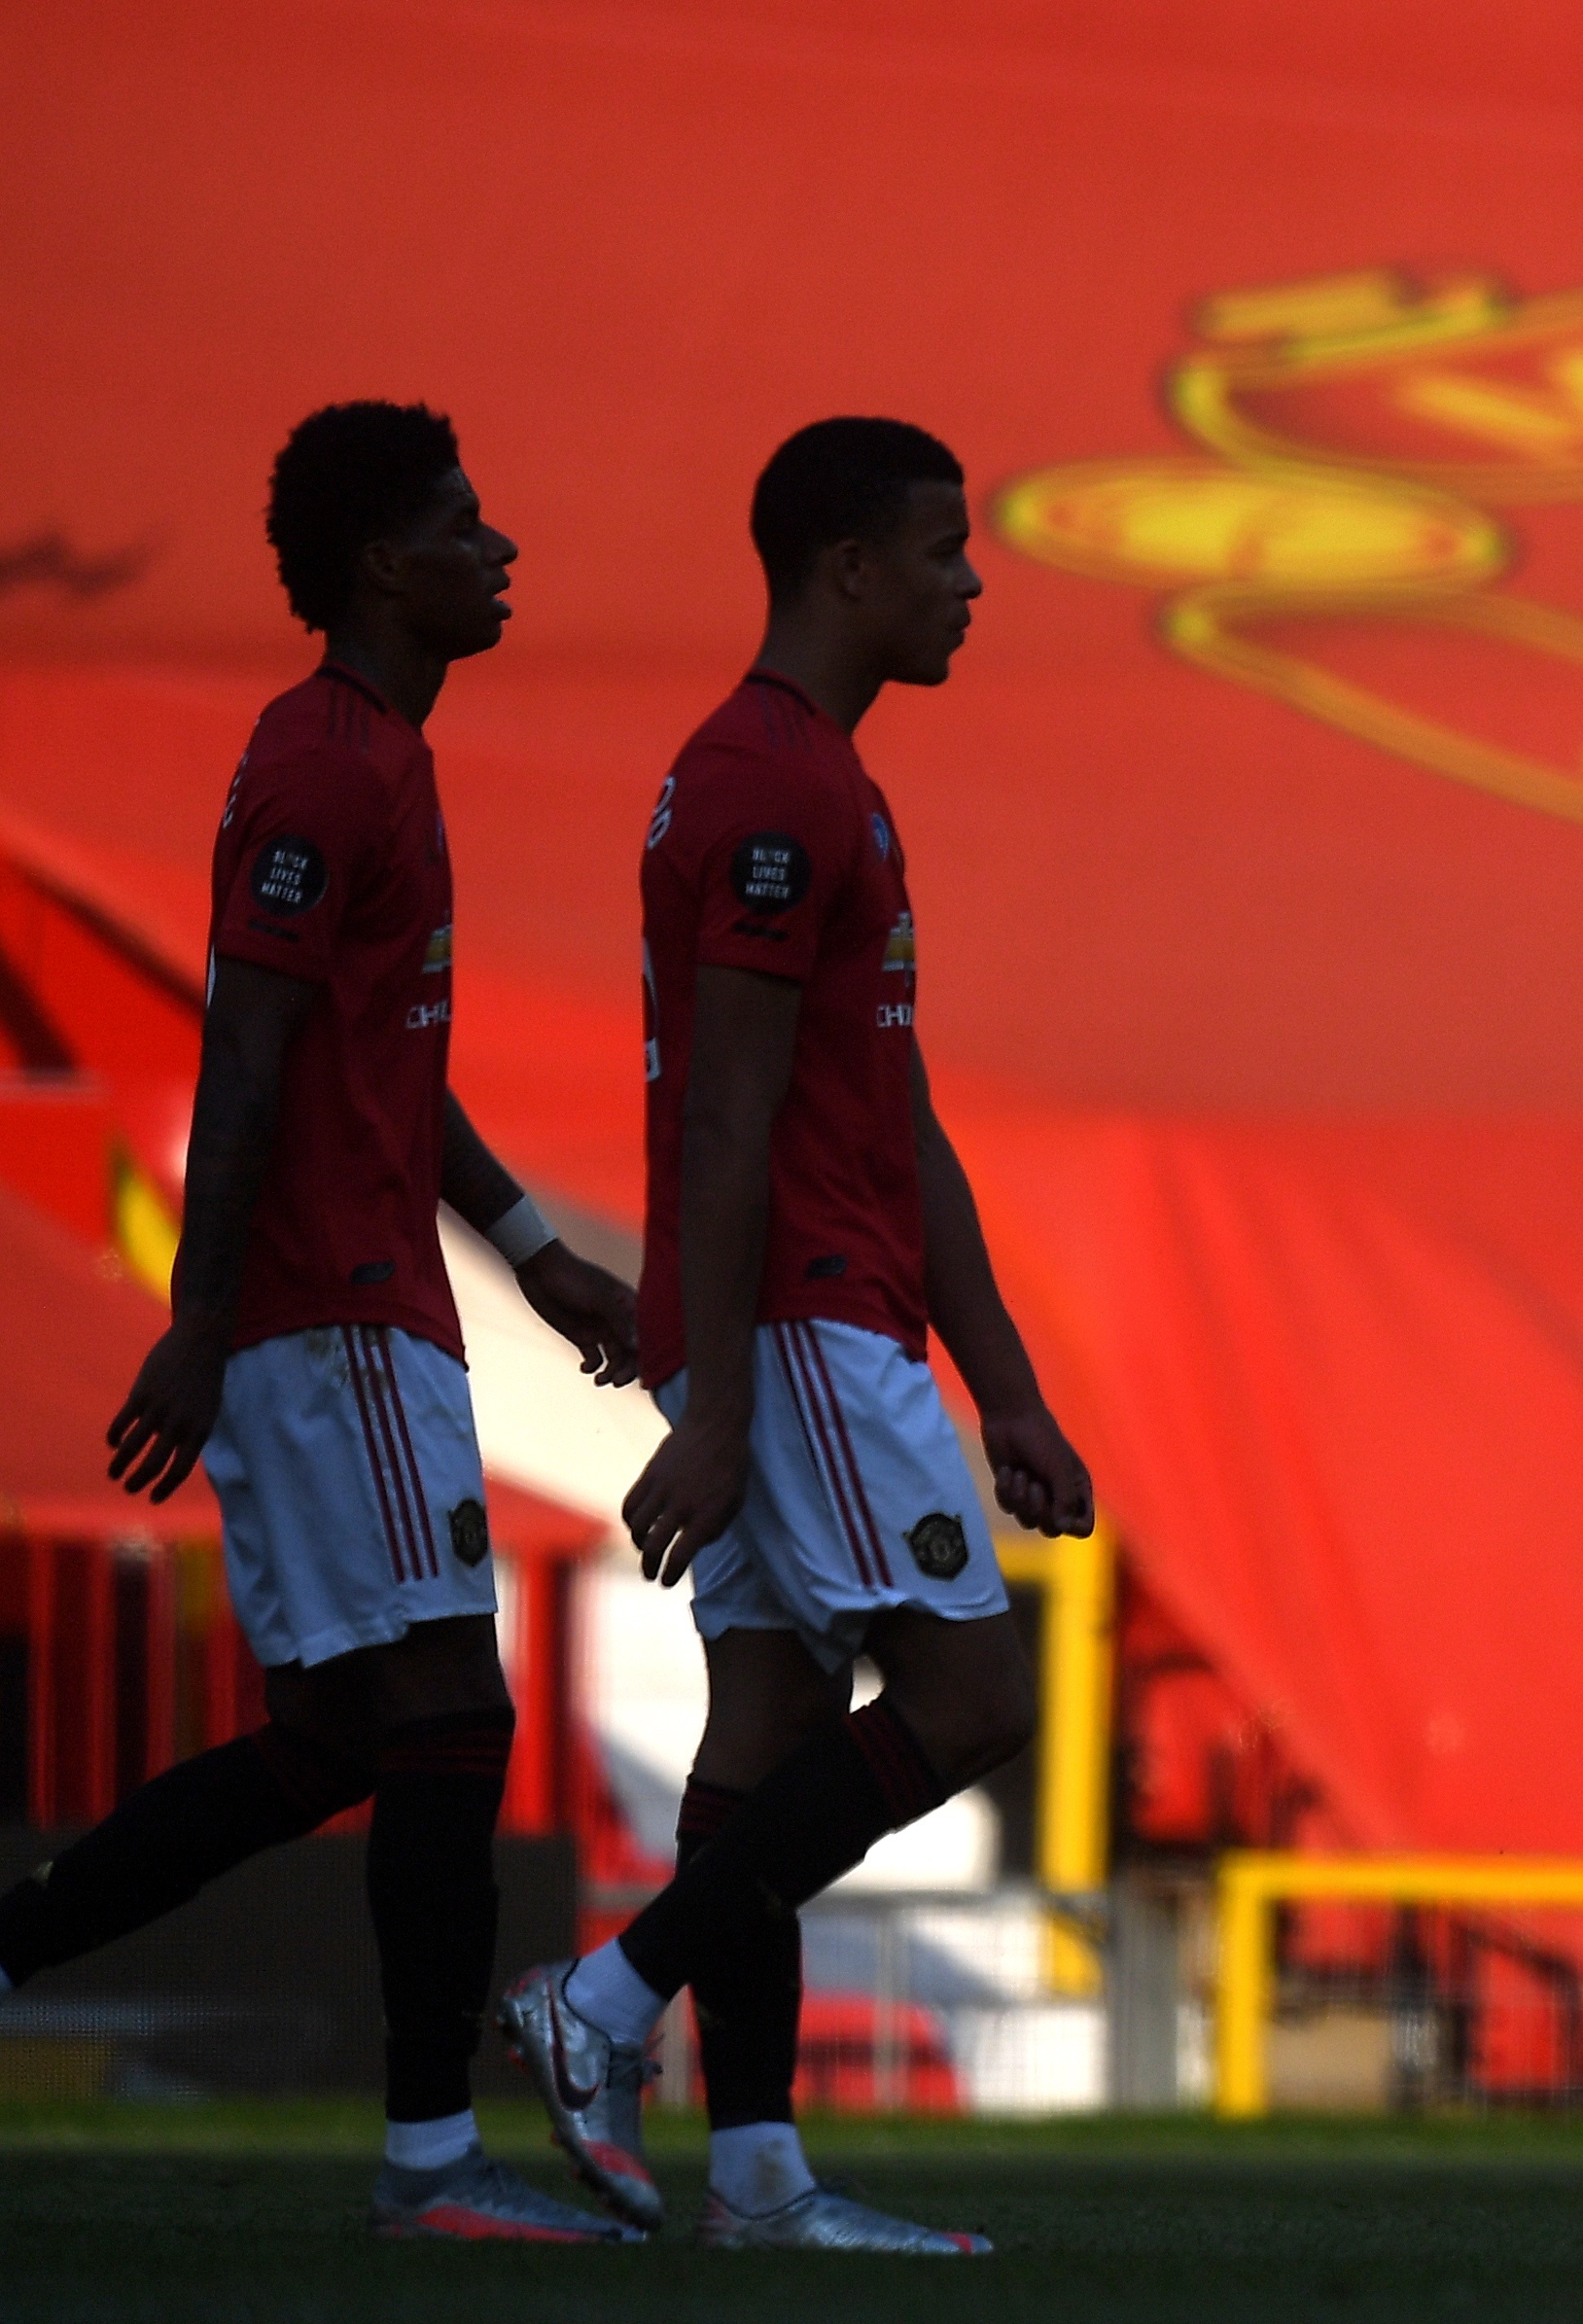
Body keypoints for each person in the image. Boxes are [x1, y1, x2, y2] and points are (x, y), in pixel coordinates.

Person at [0, 402, 645, 2242]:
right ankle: (431, 2163)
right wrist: (202, 1319)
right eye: (464, 523)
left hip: (367, 1300)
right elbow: (252, 1052)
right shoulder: (325, 770)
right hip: (333, 1313)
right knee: (451, 1711)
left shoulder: (375, 761)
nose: (499, 550)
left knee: (339, 1741)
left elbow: (381, 1067)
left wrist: (530, 1248)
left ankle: (10, 1951)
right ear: (382, 564)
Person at [495, 417, 1094, 2256]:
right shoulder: (774, 788)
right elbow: (730, 1118)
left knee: (761, 1738)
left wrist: (1007, 1386)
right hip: (800, 1324)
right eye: (943, 549)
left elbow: (895, 1111)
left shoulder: (818, 780)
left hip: (800, 1315)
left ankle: (756, 2176)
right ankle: (603, 2002)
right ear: (849, 568)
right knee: (976, 1698)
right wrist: (726, 1409)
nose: (970, 583)